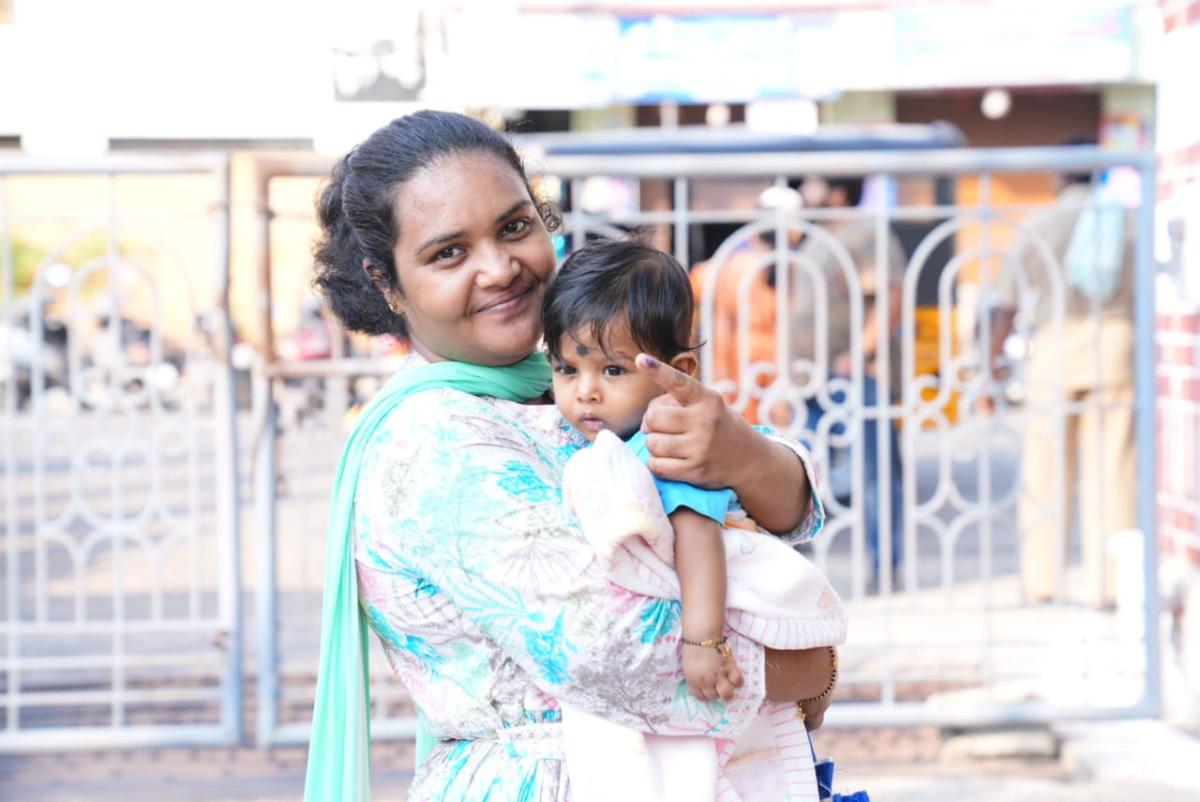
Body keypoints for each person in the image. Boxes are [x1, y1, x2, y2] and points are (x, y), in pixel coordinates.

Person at [302, 110, 838, 802]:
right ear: (387, 283)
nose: (500, 268)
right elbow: (618, 653)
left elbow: (779, 510)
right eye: (448, 253)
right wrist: (815, 662)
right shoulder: (435, 442)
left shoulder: (568, 387)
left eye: (514, 227)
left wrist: (743, 453)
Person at [543, 239, 847, 802]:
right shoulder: (612, 444)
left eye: (611, 369)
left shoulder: (664, 444)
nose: (584, 391)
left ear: (676, 372)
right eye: (566, 368)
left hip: (709, 631)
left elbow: (698, 535)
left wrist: (703, 640)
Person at [984, 148, 1136, 608]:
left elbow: (1007, 300)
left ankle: (1042, 581)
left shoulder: (1038, 224)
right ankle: (1110, 585)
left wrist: (991, 361)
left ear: (1058, 173)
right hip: (1114, 344)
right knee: (1113, 470)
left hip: (1054, 351)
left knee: (1045, 471)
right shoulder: (1128, 223)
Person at [792, 176, 907, 591]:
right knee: (801, 467)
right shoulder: (820, 237)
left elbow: (889, 295)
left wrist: (861, 352)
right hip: (814, 377)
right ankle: (796, 556)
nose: (805, 193)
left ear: (839, 191)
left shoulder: (862, 233)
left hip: (854, 376)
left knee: (873, 471)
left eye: (815, 185)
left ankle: (885, 565)